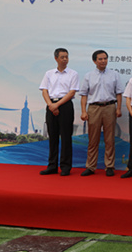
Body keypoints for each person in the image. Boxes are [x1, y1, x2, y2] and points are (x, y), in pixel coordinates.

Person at [80, 50, 124, 177]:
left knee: (109, 139)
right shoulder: (88, 76)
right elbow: (84, 95)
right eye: (100, 59)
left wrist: (118, 108)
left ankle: (109, 166)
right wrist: (83, 111)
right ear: (94, 61)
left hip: (110, 107)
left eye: (105, 58)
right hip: (94, 108)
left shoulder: (114, 75)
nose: (103, 61)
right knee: (93, 139)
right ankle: (90, 166)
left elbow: (119, 93)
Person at [39, 48, 79, 176]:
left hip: (65, 106)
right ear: (56, 58)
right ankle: (52, 166)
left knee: (66, 137)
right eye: (62, 57)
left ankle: (66, 167)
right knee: (53, 137)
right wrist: (51, 105)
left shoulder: (73, 74)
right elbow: (44, 90)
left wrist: (57, 105)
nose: (65, 59)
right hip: (51, 105)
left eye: (66, 57)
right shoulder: (49, 74)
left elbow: (72, 92)